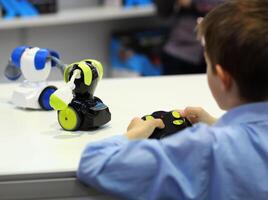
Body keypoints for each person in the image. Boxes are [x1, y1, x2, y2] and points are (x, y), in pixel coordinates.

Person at [77, 0, 268, 199]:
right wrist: (217, 124)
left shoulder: (206, 148)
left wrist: (134, 134)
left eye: (208, 64)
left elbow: (93, 161)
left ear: (223, 78)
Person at [154, 0, 223, 75]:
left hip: (215, 52)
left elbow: (228, 7)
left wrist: (192, 2)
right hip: (179, 51)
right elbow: (163, 13)